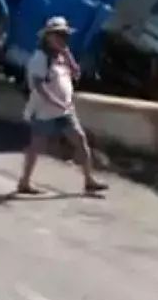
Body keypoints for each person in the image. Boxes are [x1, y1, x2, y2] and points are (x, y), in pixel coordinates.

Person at [15, 16, 108, 196]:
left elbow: (73, 73)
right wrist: (56, 101)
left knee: (80, 140)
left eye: (64, 35)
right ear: (47, 37)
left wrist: (70, 60)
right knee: (36, 147)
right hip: (45, 112)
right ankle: (24, 182)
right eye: (57, 35)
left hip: (64, 110)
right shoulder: (40, 58)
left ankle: (89, 180)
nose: (62, 39)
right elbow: (38, 86)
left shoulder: (61, 55)